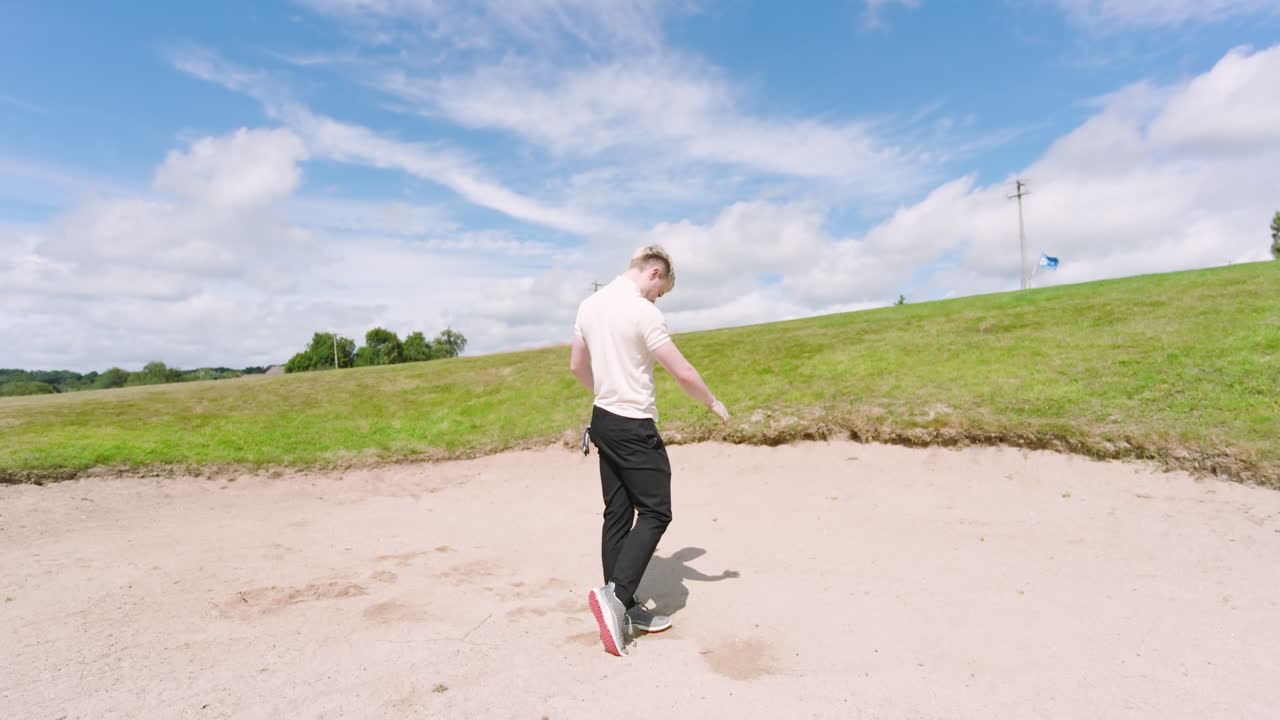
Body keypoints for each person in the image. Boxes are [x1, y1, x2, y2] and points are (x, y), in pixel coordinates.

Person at [569, 245, 730, 657]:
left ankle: (624, 606)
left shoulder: (588, 306)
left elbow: (576, 367)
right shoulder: (642, 311)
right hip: (634, 425)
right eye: (662, 291)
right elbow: (683, 371)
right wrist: (713, 402)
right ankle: (618, 596)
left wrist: (606, 394)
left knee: (618, 514)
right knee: (657, 511)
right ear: (655, 272)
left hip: (603, 419)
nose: (658, 298)